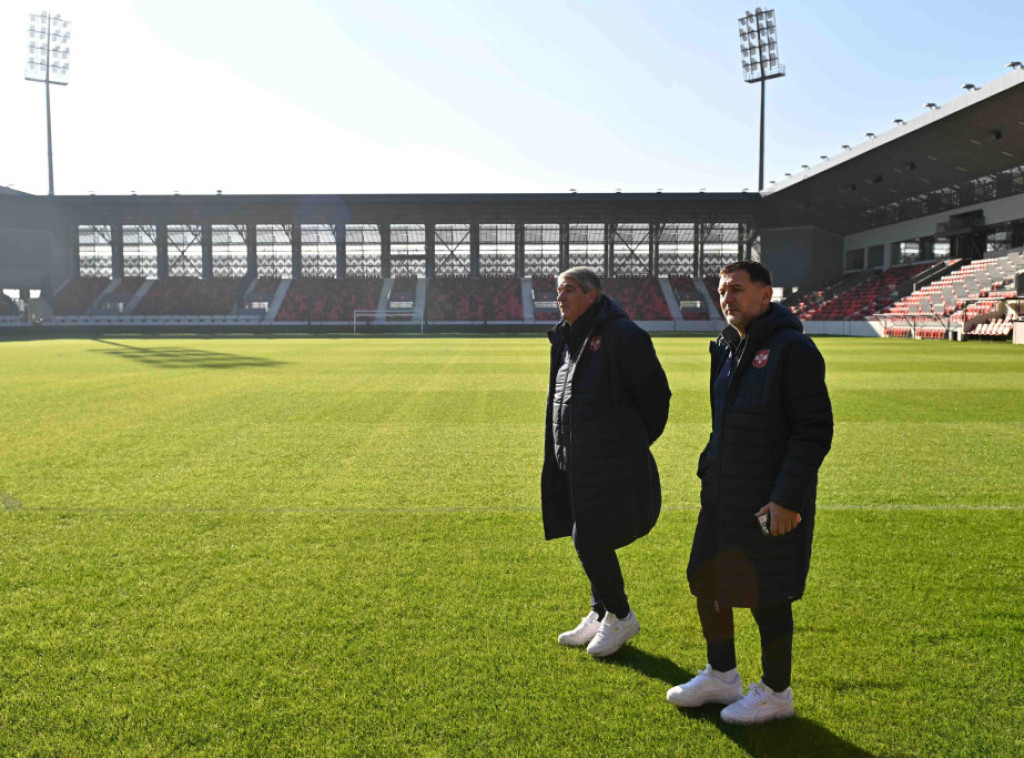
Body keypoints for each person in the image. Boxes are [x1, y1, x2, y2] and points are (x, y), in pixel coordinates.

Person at [667, 261, 833, 724]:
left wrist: (787, 499)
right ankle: (722, 673)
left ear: (766, 295)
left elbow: (813, 430)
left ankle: (777, 692)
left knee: (768, 594)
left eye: (737, 289)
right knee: (706, 579)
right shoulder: (725, 348)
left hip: (768, 499)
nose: (727, 297)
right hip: (723, 493)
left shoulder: (792, 348)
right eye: (722, 290)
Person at [541, 267, 671, 657]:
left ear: (592, 295)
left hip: (611, 462)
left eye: (569, 290)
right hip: (574, 461)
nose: (560, 298)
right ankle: (599, 612)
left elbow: (656, 398)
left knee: (590, 538)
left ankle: (621, 615)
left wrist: (629, 444)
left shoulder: (624, 335)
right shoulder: (564, 338)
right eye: (557, 291)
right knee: (584, 530)